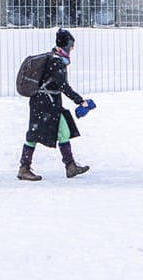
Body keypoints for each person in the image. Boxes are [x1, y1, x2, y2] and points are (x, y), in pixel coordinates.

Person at [18, 27, 92, 181]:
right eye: (71, 46)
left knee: (62, 131)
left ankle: (70, 166)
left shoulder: (56, 59)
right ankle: (24, 168)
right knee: (33, 134)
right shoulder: (56, 62)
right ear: (65, 46)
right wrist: (81, 101)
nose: (72, 49)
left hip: (48, 103)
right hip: (44, 104)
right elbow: (63, 86)